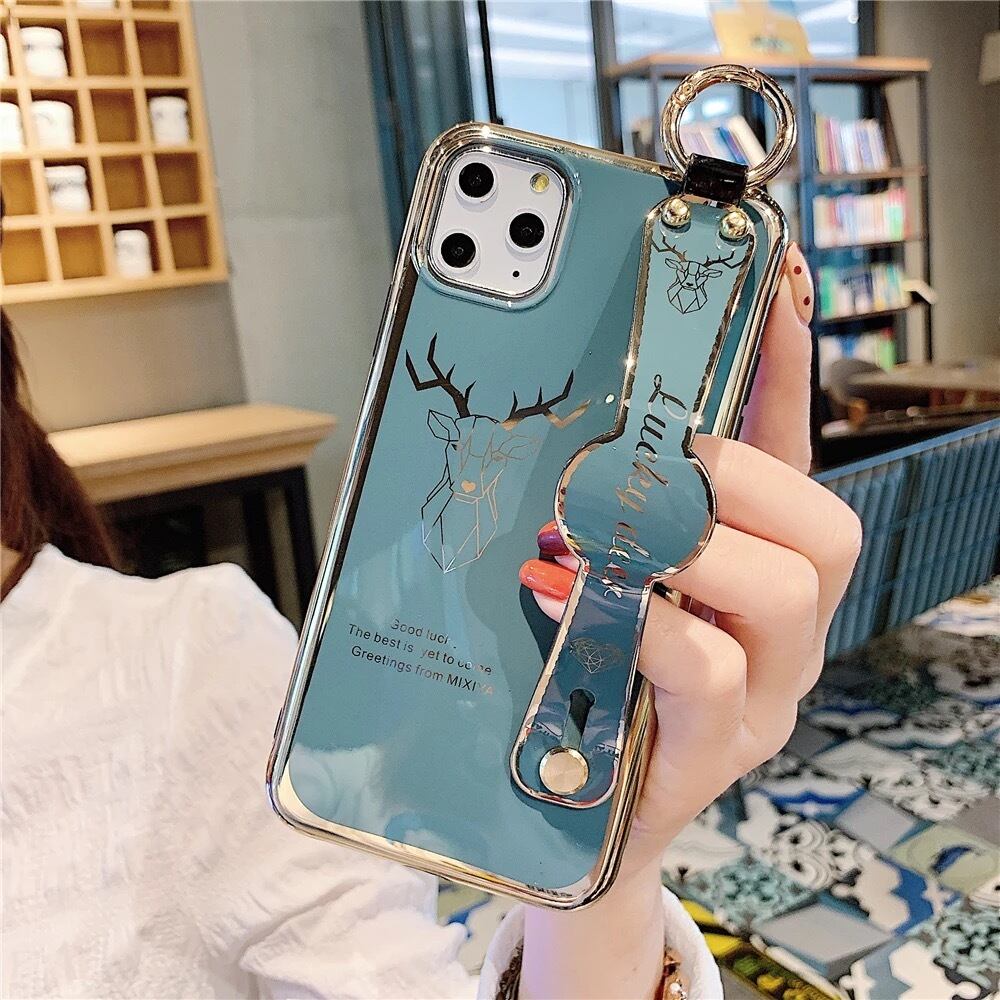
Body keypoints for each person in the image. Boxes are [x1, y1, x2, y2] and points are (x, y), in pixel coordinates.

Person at [0, 242, 860, 999]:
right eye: (467, 441)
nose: (480, 460)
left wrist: (599, 858)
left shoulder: (186, 657)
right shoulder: (390, 573)